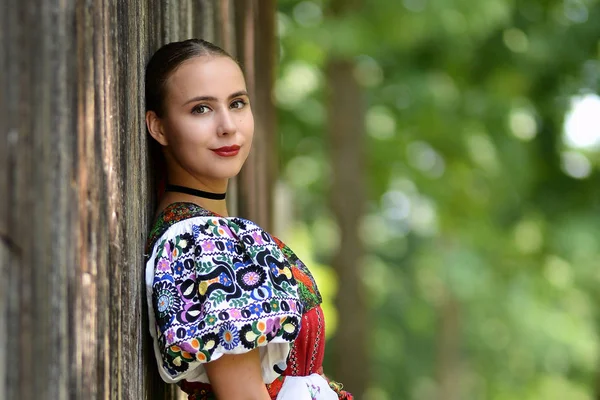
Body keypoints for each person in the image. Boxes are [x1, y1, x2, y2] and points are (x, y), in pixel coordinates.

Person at [144, 38, 353, 400]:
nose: (227, 126)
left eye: (237, 103)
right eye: (201, 109)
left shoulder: (214, 234)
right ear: (158, 127)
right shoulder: (202, 243)